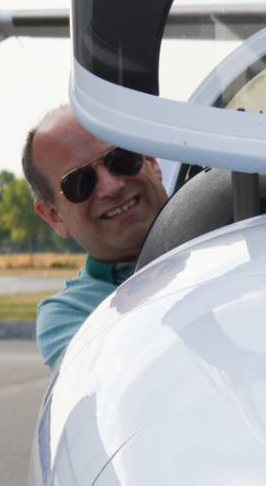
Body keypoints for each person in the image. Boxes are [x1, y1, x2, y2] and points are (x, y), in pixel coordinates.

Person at [22, 105, 168, 370]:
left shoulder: (234, 220)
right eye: (80, 183)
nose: (112, 187)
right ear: (54, 216)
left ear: (151, 160)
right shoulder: (70, 315)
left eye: (121, 159)